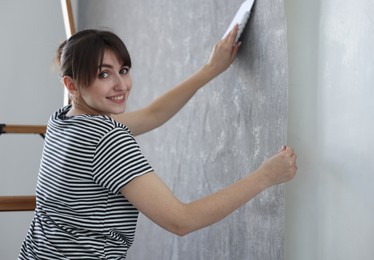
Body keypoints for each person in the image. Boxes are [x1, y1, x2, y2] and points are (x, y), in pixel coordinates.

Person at [18, 25, 297, 259]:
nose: (121, 84)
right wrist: (264, 177)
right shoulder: (107, 139)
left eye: (123, 70)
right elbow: (181, 220)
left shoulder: (64, 121)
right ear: (72, 85)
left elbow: (153, 114)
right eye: (104, 74)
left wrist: (210, 69)